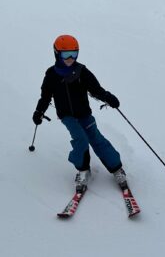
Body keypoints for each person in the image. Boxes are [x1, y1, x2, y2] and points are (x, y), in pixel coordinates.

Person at [33, 34, 129, 192]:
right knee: (81, 140)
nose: (70, 58)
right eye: (66, 54)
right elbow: (45, 96)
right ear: (57, 54)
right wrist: (39, 111)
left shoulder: (82, 72)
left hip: (84, 113)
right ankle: (83, 170)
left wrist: (108, 97)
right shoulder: (51, 75)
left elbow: (96, 89)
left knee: (96, 139)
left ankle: (117, 169)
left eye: (74, 54)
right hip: (67, 116)